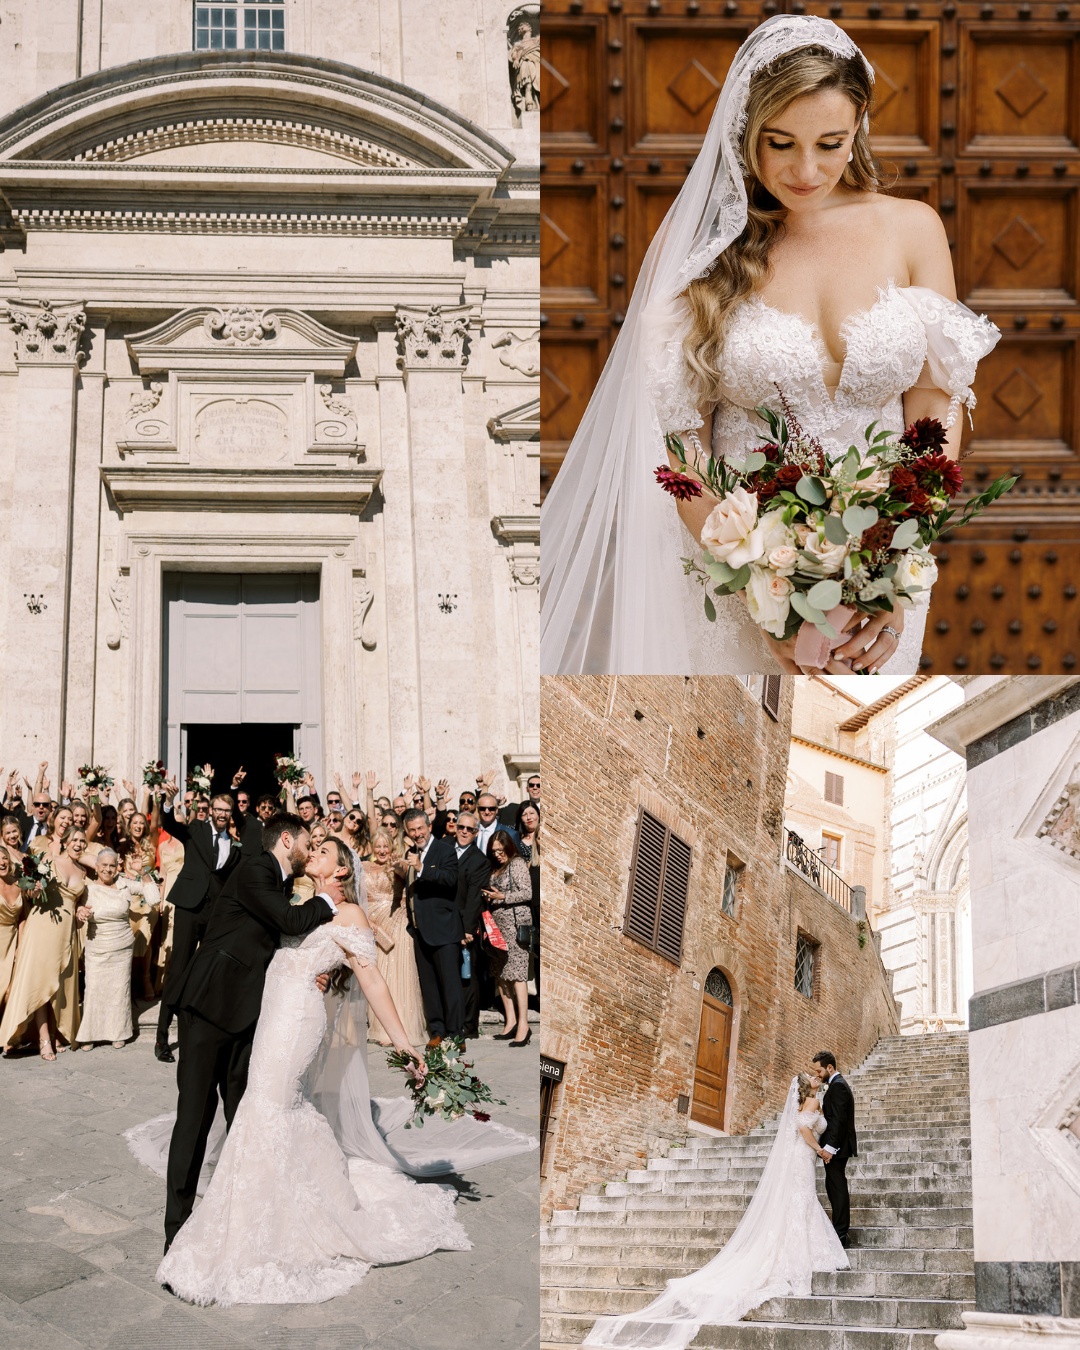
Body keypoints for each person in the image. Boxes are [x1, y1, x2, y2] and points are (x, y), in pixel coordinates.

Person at [540, 15, 1000, 677]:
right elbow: (684, 452)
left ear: (859, 125)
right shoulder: (702, 252)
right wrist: (765, 595)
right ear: (744, 131)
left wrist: (897, 568)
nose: (805, 170)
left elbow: (934, 408)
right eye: (779, 143)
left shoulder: (913, 230)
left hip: (884, 572)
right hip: (742, 574)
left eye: (830, 142)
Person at [131, 836, 537, 1307]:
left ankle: (259, 1221)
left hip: (296, 1024)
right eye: (312, 847)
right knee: (267, 1111)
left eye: (322, 851)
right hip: (267, 1020)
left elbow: (373, 979)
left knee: (269, 1107)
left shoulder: (349, 914)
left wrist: (405, 1044)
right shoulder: (300, 903)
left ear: (341, 871)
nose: (313, 853)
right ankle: (264, 1206)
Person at [160, 812, 339, 1252]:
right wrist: (328, 901)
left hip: (245, 1016)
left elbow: (272, 940)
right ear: (286, 840)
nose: (308, 851)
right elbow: (289, 922)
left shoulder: (273, 878)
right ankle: (177, 1230)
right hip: (209, 1009)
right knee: (195, 1120)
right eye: (305, 844)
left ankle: (235, 1216)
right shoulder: (257, 868)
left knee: (245, 1118)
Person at [584, 1071, 848, 1348]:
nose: (817, 1077)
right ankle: (798, 1252)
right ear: (809, 1086)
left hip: (799, 1157)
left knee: (801, 1200)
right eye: (813, 1077)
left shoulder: (802, 1103)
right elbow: (804, 1129)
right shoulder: (813, 1103)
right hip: (804, 1155)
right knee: (801, 1199)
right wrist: (819, 1149)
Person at [154, 782, 244, 1063]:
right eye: (217, 808)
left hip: (214, 914)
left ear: (231, 814)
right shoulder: (196, 830)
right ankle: (162, 1038)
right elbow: (169, 823)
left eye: (226, 810)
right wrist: (168, 801)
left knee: (207, 972)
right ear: (210, 810)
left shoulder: (236, 846)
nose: (221, 813)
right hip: (189, 907)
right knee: (178, 969)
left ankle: (200, 1033)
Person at [0, 826, 89, 1058]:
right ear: (66, 842)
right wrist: (34, 890)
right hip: (43, 926)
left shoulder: (82, 872)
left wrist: (80, 910)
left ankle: (56, 1032)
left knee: (57, 983)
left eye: (82, 841)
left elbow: (79, 900)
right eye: (75, 840)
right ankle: (43, 1038)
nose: (78, 844)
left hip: (66, 931)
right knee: (40, 981)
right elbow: (30, 891)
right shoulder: (50, 860)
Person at [395, 807, 461, 1048]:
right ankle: (437, 1030)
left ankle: (456, 1033)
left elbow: (450, 880)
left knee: (450, 983)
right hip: (420, 929)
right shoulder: (410, 852)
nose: (417, 834)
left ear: (429, 827)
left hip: (443, 928)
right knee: (429, 984)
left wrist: (422, 868)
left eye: (420, 828)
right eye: (412, 830)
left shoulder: (444, 848)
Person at [75, 849, 145, 1049]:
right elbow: (78, 920)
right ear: (96, 867)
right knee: (94, 989)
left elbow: (153, 896)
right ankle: (89, 1034)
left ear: (117, 867)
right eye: (103, 865)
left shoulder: (124, 884)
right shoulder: (87, 889)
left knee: (118, 991)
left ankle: (118, 1031)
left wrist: (143, 872)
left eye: (111, 865)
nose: (107, 869)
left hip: (122, 947)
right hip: (97, 947)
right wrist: (80, 913)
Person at [362, 829, 425, 1046]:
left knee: (400, 976)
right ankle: (382, 1028)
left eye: (385, 846)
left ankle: (403, 1029)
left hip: (397, 923)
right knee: (380, 976)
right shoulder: (362, 867)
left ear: (392, 847)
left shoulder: (399, 864)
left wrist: (396, 864)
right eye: (377, 846)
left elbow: (402, 870)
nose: (381, 850)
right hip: (374, 926)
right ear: (371, 847)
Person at [483, 831, 533, 1046]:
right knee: (501, 974)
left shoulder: (517, 863)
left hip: (515, 925)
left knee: (517, 975)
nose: (497, 855)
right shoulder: (495, 868)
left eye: (500, 851)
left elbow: (527, 893)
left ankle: (524, 1024)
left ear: (508, 847)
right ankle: (510, 1021)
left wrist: (501, 896)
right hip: (498, 927)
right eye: (494, 851)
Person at [812, 1048, 858, 1245]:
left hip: (837, 1149)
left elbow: (838, 1120)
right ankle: (839, 1229)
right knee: (833, 1187)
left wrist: (830, 1148)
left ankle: (840, 1233)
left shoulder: (838, 1086)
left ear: (829, 1067)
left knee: (837, 1188)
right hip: (836, 1147)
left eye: (819, 1071)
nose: (817, 1075)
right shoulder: (835, 1085)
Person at [454, 811, 491, 1040]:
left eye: (469, 829)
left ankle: (469, 1027)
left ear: (476, 833)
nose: (464, 832)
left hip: (465, 926)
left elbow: (474, 898)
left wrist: (467, 929)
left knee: (468, 977)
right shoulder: (446, 850)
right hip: (445, 923)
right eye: (461, 827)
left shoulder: (480, 860)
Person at [0, 848, 25, 1014]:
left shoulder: (19, 883)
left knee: (10, 990)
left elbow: (23, 916)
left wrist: (20, 945)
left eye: (4, 858)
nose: (2, 863)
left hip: (13, 939)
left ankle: (6, 1033)